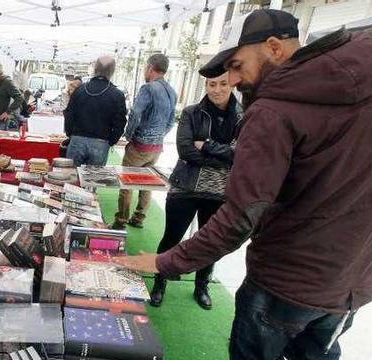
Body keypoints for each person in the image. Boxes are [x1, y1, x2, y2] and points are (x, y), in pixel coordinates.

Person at [119, 10, 372, 360]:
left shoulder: (273, 108)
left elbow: (241, 214)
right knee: (322, 358)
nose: (234, 78)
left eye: (239, 65)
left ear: (275, 48)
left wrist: (165, 260)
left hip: (287, 272)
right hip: (352, 276)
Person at [151, 72, 241, 310]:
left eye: (223, 84)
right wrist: (225, 156)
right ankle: (160, 281)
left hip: (221, 192)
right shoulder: (192, 112)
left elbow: (242, 154)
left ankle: (202, 285)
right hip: (186, 187)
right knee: (172, 237)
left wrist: (208, 146)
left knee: (211, 242)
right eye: (212, 84)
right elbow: (185, 150)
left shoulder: (244, 115)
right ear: (206, 85)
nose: (217, 89)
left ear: (233, 84)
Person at [113, 54, 177, 229]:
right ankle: (139, 217)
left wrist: (129, 134)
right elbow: (171, 120)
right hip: (157, 146)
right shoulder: (172, 91)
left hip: (140, 144)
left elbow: (135, 113)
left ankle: (121, 220)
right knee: (146, 182)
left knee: (126, 182)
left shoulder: (148, 88)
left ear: (150, 67)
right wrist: (160, 135)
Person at [63, 55, 128, 166]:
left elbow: (69, 114)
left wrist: (71, 134)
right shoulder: (117, 94)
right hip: (101, 142)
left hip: (77, 140)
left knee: (72, 178)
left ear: (95, 69)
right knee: (93, 180)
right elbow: (120, 123)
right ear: (112, 71)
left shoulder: (80, 89)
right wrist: (111, 141)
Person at [0, 60, 25, 130]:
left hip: (0, 121)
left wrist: (8, 112)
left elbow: (19, 97)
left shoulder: (7, 82)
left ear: (0, 72)